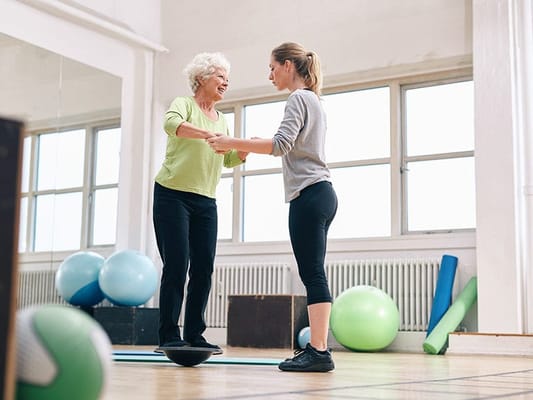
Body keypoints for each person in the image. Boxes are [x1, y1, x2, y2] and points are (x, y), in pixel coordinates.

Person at [207, 42, 338, 372]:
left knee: (312, 274)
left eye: (272, 67)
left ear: (289, 66)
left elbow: (281, 145)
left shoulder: (298, 98)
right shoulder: (314, 101)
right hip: (321, 193)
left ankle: (319, 351)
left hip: (309, 195)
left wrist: (231, 142)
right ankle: (319, 350)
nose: (270, 74)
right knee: (314, 272)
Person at [153, 52, 246, 352]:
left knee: (203, 268)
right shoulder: (185, 104)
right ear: (202, 78)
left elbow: (227, 158)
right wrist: (208, 134)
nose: (225, 82)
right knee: (177, 264)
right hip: (172, 195)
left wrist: (242, 151)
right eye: (220, 76)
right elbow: (171, 125)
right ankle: (169, 334)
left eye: (227, 78)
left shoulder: (224, 120)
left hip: (206, 201)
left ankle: (195, 333)